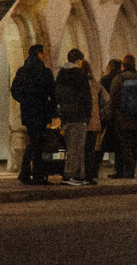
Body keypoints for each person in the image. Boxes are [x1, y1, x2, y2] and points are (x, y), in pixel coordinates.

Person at [11, 46, 56, 184]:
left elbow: (14, 90)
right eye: (43, 53)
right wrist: (52, 110)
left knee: (33, 141)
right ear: (39, 54)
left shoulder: (22, 71)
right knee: (39, 143)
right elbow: (53, 93)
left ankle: (26, 173)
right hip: (41, 111)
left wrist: (25, 101)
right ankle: (35, 174)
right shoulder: (45, 71)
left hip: (28, 112)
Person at [53, 50, 97, 185]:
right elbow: (86, 97)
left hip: (66, 114)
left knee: (70, 145)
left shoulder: (61, 74)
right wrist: (87, 115)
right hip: (78, 115)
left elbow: (57, 94)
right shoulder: (80, 74)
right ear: (80, 60)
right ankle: (71, 174)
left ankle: (74, 173)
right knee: (76, 146)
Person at [106, 56, 137, 180]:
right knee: (134, 144)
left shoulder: (119, 79)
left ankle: (124, 171)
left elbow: (114, 98)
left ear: (123, 65)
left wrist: (111, 116)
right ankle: (131, 169)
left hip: (122, 118)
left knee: (124, 145)